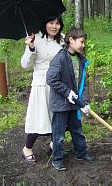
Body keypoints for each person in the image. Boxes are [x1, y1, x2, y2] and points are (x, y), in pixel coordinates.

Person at [46, 27, 95, 171]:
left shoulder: (80, 60)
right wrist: (67, 92)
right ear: (71, 40)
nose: (83, 45)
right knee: (59, 135)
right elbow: (51, 79)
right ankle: (57, 159)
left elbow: (82, 84)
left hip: (75, 104)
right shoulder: (60, 58)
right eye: (81, 42)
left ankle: (81, 153)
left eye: (83, 42)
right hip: (61, 104)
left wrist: (84, 103)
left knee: (77, 131)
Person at [20, 15, 65, 163]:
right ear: (44, 24)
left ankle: (54, 144)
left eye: (57, 23)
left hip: (58, 84)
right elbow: (25, 64)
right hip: (41, 84)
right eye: (51, 22)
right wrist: (30, 47)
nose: (54, 26)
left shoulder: (63, 40)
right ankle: (27, 148)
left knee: (58, 116)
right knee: (39, 117)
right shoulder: (36, 38)